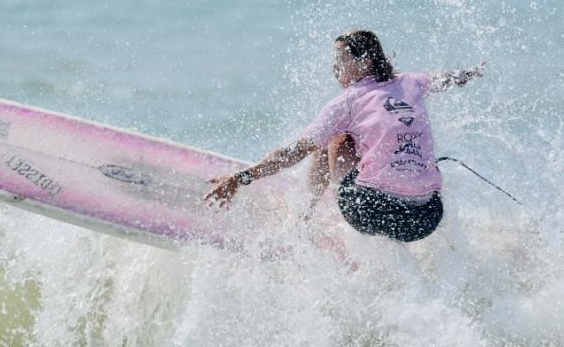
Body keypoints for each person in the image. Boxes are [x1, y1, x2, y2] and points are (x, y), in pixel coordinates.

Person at [204, 29, 484, 243]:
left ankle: (299, 221)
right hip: (424, 220)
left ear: (366, 62)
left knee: (329, 139)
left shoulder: (348, 102)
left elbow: (294, 151)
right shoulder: (413, 82)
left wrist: (241, 178)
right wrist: (473, 72)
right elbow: (447, 78)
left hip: (371, 214)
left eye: (340, 60)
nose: (334, 68)